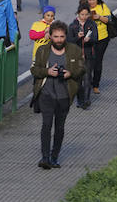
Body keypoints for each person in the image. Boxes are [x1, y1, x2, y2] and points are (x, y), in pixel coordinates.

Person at [30, 20, 84, 169]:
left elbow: (81, 69)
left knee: (59, 127)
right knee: (46, 125)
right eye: (56, 37)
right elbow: (34, 70)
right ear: (50, 36)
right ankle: (45, 157)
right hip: (46, 94)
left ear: (65, 36)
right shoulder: (42, 50)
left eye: (61, 37)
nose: (59, 40)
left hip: (64, 95)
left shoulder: (74, 50)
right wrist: (47, 71)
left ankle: (54, 157)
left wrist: (70, 73)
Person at [67, 1, 98, 109]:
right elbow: (69, 41)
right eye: (82, 15)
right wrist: (78, 37)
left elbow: (96, 38)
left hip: (89, 55)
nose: (84, 17)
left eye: (86, 14)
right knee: (78, 79)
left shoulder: (92, 24)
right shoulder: (73, 26)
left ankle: (86, 100)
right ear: (78, 14)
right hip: (76, 56)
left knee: (88, 77)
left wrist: (89, 39)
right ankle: (80, 100)